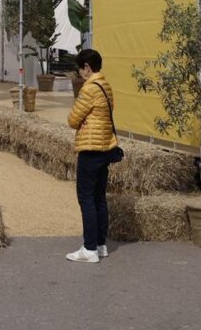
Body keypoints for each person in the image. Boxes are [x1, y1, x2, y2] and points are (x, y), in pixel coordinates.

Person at [65, 49, 118, 264]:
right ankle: (100, 244)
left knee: (85, 197)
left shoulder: (88, 90)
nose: (80, 73)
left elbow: (72, 119)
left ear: (87, 67)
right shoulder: (106, 86)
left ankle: (89, 249)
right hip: (105, 148)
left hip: (90, 148)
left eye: (80, 69)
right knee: (99, 198)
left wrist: (82, 120)